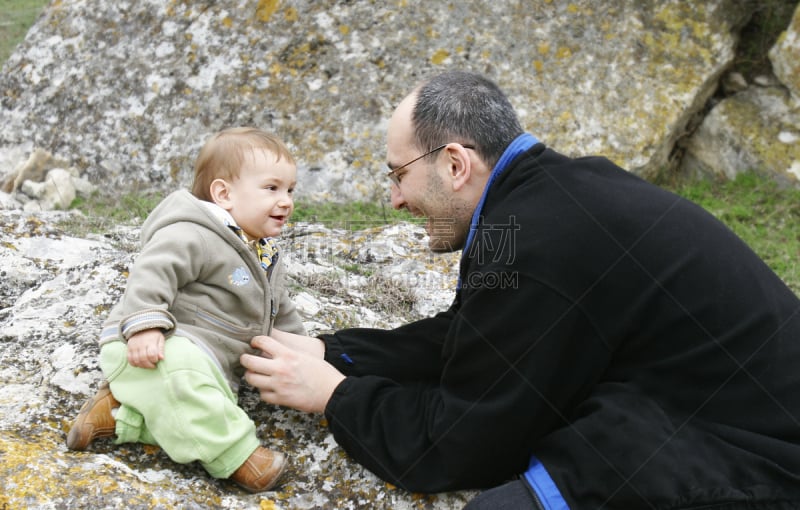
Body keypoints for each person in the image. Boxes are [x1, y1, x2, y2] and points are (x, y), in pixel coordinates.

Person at [239, 71, 800, 508]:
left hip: (761, 456)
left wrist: (335, 396)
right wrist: (334, 353)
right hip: (695, 402)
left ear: (455, 163)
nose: (395, 200)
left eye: (398, 174)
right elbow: (473, 333)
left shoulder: (536, 241)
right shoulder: (536, 201)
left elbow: (456, 445)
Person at [66, 127, 307, 493]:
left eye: (290, 190)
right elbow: (153, 271)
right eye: (272, 188)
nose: (286, 200)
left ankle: (120, 414)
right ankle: (239, 456)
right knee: (188, 383)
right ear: (224, 194)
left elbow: (280, 309)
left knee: (204, 403)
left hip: (208, 362)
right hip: (159, 346)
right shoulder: (194, 233)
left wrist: (305, 353)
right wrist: (146, 326)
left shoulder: (264, 251)